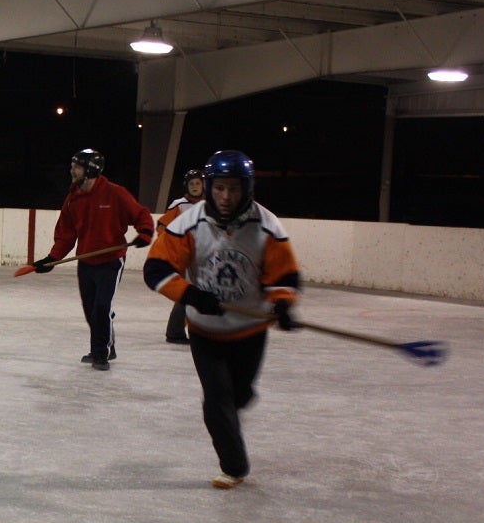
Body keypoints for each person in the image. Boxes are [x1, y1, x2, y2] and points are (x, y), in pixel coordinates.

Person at [143, 150, 301, 489]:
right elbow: (156, 269)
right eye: (219, 189)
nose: (226, 197)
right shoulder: (188, 223)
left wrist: (283, 304)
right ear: (210, 188)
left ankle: (232, 407)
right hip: (205, 331)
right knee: (217, 400)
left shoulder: (267, 225)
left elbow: (284, 275)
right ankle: (234, 465)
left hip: (251, 331)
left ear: (247, 188)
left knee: (238, 396)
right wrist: (191, 295)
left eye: (233, 189)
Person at [31, 148, 154, 370]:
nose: (71, 169)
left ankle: (100, 354)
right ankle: (108, 344)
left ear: (90, 170)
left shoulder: (115, 194)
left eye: (76, 166)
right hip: (86, 263)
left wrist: (145, 232)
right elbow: (66, 234)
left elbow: (141, 214)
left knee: (101, 307)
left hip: (112, 261)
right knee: (91, 310)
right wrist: (52, 258)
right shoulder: (73, 199)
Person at [158, 167, 205, 345]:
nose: (194, 187)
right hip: (186, 258)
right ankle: (175, 331)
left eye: (197, 183)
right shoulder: (179, 205)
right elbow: (163, 227)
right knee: (188, 293)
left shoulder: (211, 204)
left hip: (205, 257)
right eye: (191, 184)